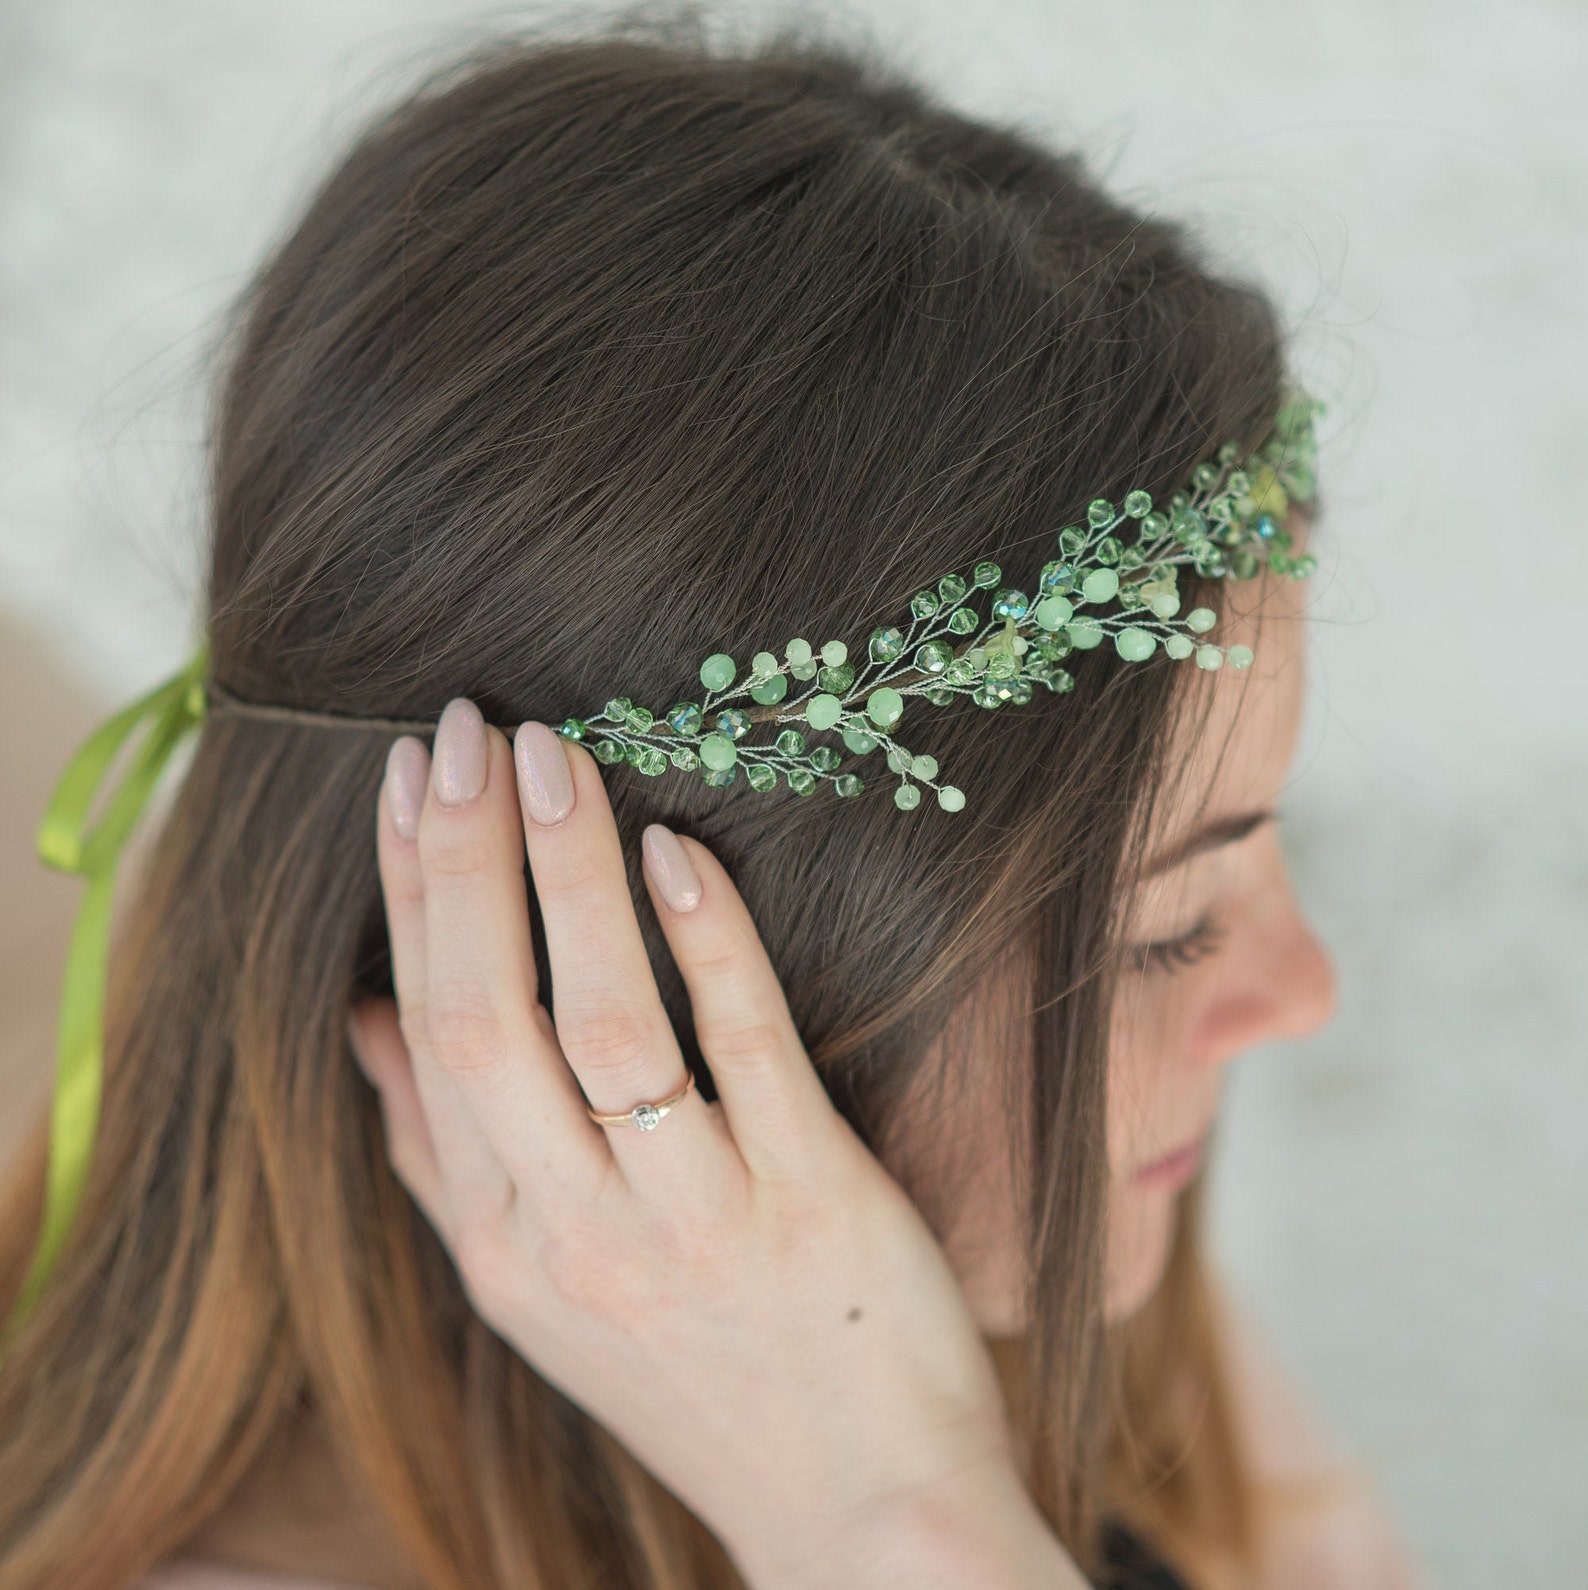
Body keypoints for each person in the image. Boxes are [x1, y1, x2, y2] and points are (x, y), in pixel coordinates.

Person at [0, 24, 1421, 1590]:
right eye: (1165, 928)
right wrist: (896, 1515)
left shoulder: (1077, 1307)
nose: (1302, 992)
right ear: (588, 972)